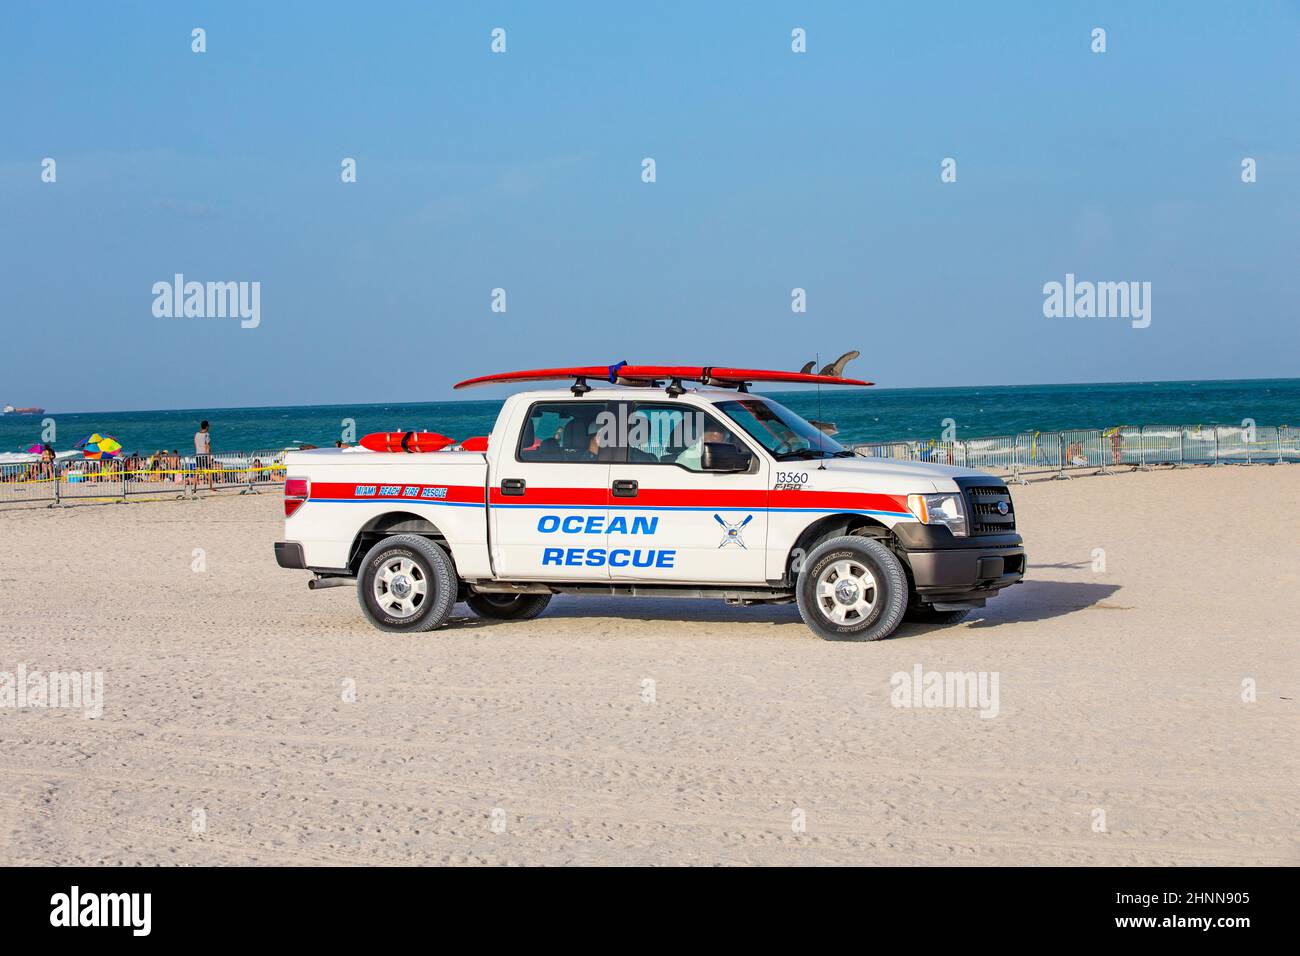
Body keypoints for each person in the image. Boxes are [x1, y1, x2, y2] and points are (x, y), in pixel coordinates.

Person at [192, 421, 214, 491]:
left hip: (198, 454)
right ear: (206, 426)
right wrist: (209, 456)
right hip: (204, 455)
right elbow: (207, 446)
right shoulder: (206, 434)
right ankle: (210, 487)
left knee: (197, 472)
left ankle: (194, 487)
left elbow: (195, 444)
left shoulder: (197, 434)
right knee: (209, 471)